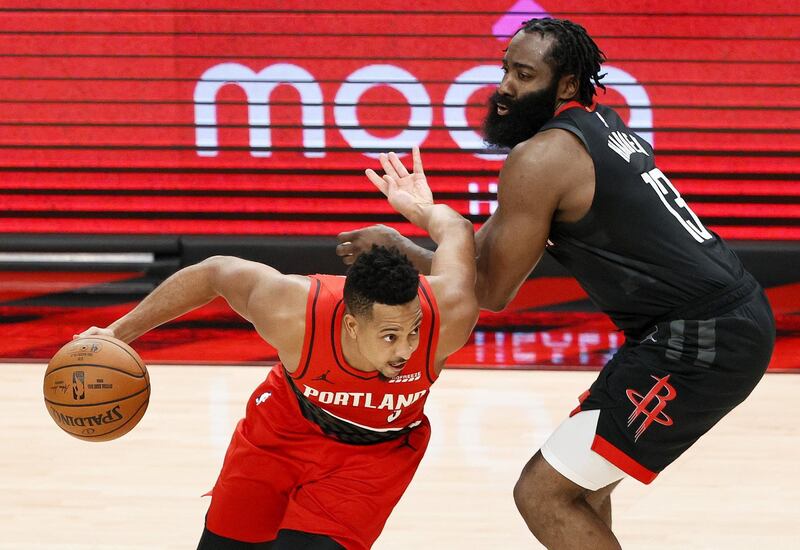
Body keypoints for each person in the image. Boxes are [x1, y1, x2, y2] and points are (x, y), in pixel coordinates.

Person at [336, 18, 775, 549]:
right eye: (505, 70)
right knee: (581, 490)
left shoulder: (540, 158)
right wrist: (415, 230)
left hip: (700, 338)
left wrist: (417, 237)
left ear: (565, 85)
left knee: (543, 493)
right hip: (709, 324)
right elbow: (480, 257)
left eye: (523, 75)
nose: (504, 88)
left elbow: (491, 292)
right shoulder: (597, 125)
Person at [77, 147, 479, 550]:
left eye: (413, 331)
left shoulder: (449, 315)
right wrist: (118, 333)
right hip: (282, 433)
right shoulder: (294, 312)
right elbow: (214, 272)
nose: (406, 348)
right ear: (352, 325)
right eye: (390, 336)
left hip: (374, 457)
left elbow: (457, 230)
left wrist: (419, 210)